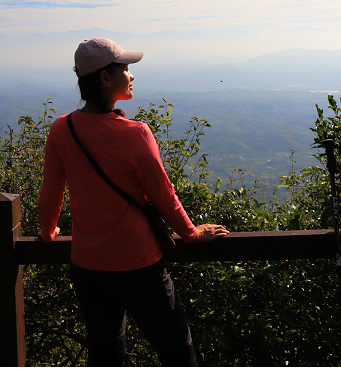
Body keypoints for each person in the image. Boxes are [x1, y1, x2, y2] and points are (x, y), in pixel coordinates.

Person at [38, 37, 228, 366]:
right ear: (104, 78)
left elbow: (51, 189)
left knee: (107, 354)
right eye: (125, 69)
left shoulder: (61, 129)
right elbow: (163, 194)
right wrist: (191, 234)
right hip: (139, 266)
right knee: (176, 351)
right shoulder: (135, 133)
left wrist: (47, 233)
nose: (132, 75)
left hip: (88, 266)